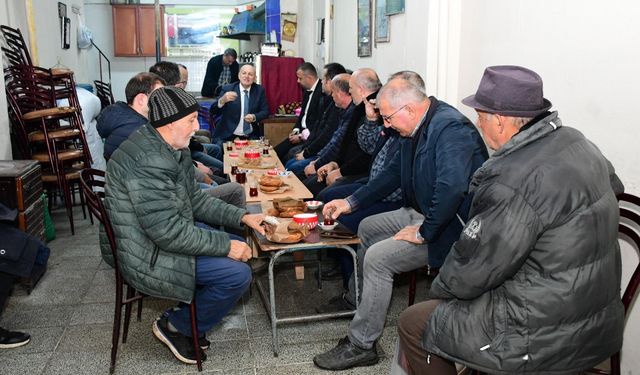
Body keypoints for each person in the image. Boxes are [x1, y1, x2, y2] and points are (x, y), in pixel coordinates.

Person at [395, 65, 625, 375]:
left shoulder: (511, 179)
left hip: (540, 334)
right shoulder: (576, 141)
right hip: (597, 318)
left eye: (481, 116)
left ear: (500, 121)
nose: (478, 123)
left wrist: (440, 292)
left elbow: (472, 270)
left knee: (414, 322)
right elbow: (615, 189)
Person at [312, 74, 488, 371]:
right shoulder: (413, 128)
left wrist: (424, 232)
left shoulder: (450, 128)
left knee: (379, 259)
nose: (385, 124)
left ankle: (362, 343)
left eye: (388, 118)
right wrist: (350, 202)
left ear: (408, 108)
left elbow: (452, 189)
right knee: (367, 226)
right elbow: (391, 175)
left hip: (451, 229)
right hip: (424, 213)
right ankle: (360, 302)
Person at [104, 86, 266, 365]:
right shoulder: (150, 161)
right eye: (191, 120)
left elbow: (195, 202)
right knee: (237, 275)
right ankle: (176, 325)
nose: (197, 127)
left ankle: (190, 314)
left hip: (153, 237)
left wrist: (242, 217)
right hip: (144, 252)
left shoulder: (167, 147)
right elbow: (168, 233)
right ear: (168, 123)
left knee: (227, 241)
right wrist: (226, 246)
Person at [303, 68, 381, 197]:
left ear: (360, 89)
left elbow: (366, 154)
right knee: (309, 184)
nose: (349, 91)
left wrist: (341, 171)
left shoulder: (374, 109)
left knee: (319, 192)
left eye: (351, 88)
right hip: (346, 167)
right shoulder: (360, 107)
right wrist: (334, 164)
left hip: (361, 172)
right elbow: (344, 142)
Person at [284, 62, 347, 173]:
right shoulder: (330, 101)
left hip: (325, 155)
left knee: (292, 166)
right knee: (289, 161)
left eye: (323, 79)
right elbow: (318, 129)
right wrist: (306, 150)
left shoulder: (338, 107)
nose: (321, 81)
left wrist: (309, 154)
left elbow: (327, 137)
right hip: (314, 147)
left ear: (331, 82)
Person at [97, 72, 165, 160]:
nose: (164, 101)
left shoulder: (120, 117)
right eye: (160, 96)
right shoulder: (138, 130)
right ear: (141, 99)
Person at [274, 62, 325, 161]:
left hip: (311, 137)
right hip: (300, 133)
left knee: (288, 157)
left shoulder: (323, 93)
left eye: (300, 78)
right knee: (275, 152)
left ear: (309, 78)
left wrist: (301, 137)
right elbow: (302, 116)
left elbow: (319, 122)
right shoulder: (307, 91)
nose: (298, 81)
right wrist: (295, 130)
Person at [210, 64, 269, 142]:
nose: (247, 76)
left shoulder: (259, 90)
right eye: (244, 73)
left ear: (254, 78)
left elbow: (265, 111)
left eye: (250, 74)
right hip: (228, 135)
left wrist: (254, 117)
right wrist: (222, 100)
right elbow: (213, 110)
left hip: (250, 135)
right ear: (239, 75)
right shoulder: (228, 88)